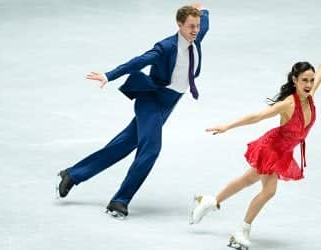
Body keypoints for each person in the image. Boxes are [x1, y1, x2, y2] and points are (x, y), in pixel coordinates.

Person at [56, 4, 210, 218]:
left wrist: (201, 8)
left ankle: (72, 174)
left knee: (124, 144)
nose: (195, 30)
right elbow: (138, 61)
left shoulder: (197, 35)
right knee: (151, 149)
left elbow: (206, 20)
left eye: (198, 26)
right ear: (179, 25)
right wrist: (109, 75)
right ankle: (120, 201)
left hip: (169, 102)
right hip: (151, 99)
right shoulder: (166, 47)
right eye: (191, 26)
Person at [189, 62, 320, 249]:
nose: (308, 84)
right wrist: (227, 126)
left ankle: (210, 201)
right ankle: (241, 230)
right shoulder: (288, 104)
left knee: (247, 179)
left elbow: (319, 75)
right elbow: (257, 117)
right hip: (272, 149)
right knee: (269, 191)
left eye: (311, 80)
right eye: (304, 80)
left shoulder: (310, 96)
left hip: (284, 151)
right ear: (294, 80)